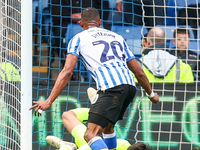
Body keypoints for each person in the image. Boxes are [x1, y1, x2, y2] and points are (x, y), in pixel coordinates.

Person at [30, 7, 159, 150]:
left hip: (110, 87)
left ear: (80, 24)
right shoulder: (117, 37)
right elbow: (139, 72)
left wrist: (48, 101)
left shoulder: (78, 38)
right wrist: (151, 94)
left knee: (90, 134)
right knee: (108, 129)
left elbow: (67, 72)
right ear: (100, 22)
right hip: (130, 86)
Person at [46, 87, 153, 150]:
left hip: (88, 143)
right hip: (88, 144)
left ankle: (65, 146)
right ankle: (99, 113)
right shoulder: (122, 144)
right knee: (68, 115)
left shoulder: (124, 144)